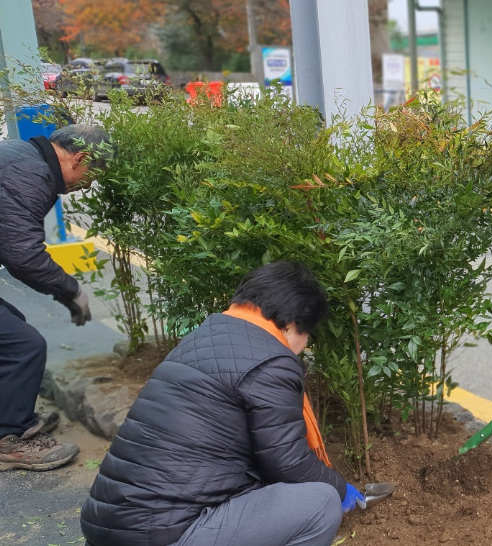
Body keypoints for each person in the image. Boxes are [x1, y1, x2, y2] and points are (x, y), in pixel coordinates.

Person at [80, 262, 367, 546]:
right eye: (308, 334)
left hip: (106, 524)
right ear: (292, 323)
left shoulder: (203, 337)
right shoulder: (272, 360)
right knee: (319, 502)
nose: (304, 345)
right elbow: (287, 463)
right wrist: (340, 488)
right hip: (163, 534)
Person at [0, 124, 109, 472]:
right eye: (90, 176)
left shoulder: (20, 155)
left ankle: (11, 415)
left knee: (11, 328)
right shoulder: (29, 174)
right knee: (23, 346)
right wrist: (72, 290)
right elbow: (22, 255)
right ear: (80, 158)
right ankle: (11, 439)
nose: (84, 185)